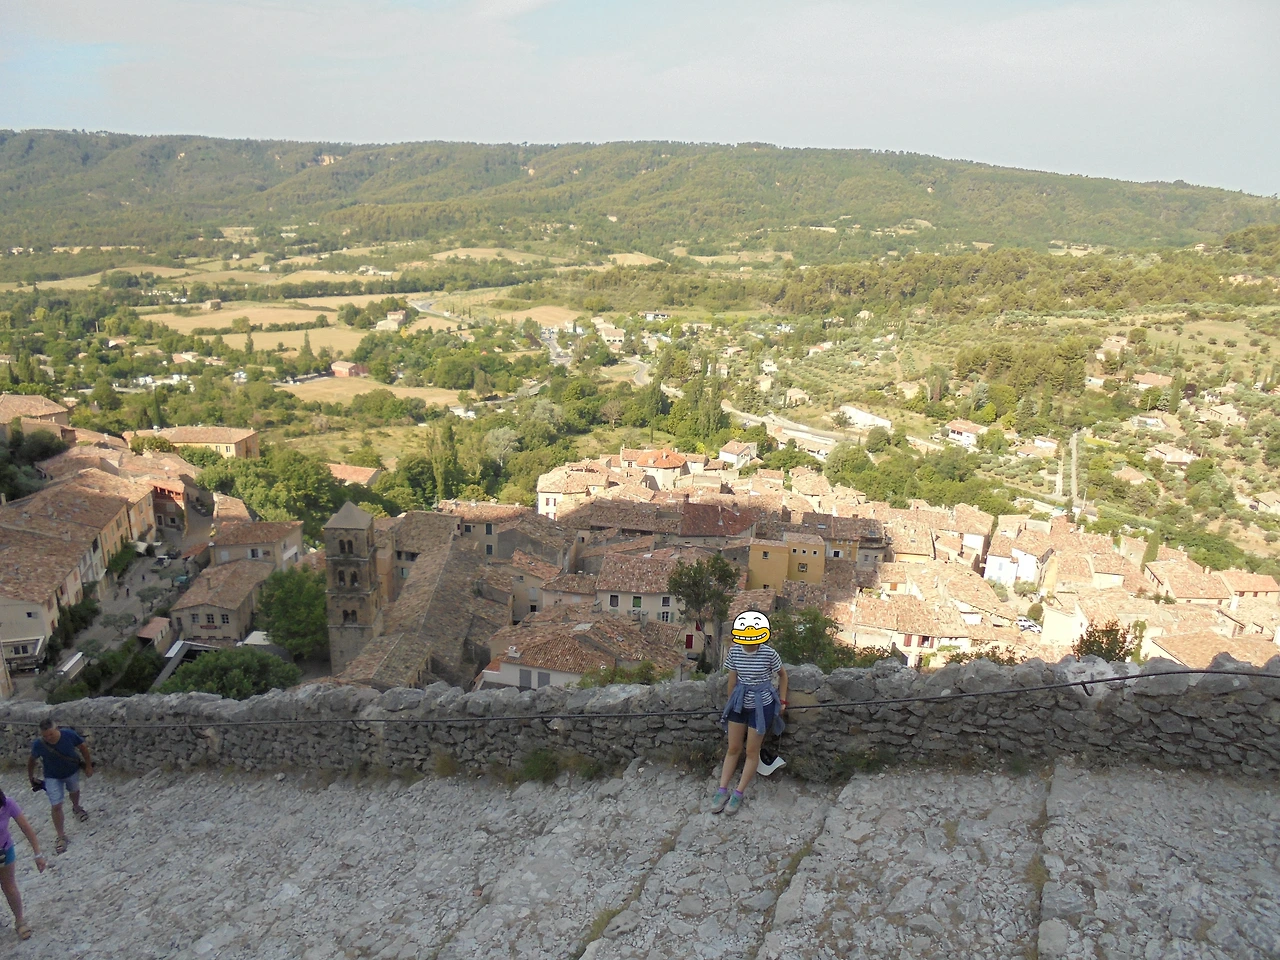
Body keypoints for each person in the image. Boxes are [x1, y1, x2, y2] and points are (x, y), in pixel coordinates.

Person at [710, 610, 788, 815]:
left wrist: (782, 701)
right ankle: (722, 790)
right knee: (733, 748)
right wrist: (731, 703)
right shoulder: (735, 652)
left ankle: (738, 794)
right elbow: (732, 681)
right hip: (739, 704)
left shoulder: (769, 654)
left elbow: (783, 676)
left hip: (761, 707)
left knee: (752, 752)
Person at [27, 719, 94, 855]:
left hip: (71, 771)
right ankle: (61, 836)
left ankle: (76, 807)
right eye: (45, 736)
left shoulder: (69, 735)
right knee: (56, 805)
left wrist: (88, 766)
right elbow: (31, 760)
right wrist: (31, 777)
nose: (48, 738)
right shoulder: (39, 744)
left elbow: (83, 748)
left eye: (50, 734)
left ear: (56, 729)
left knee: (74, 790)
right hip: (52, 776)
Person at [0, 785, 47, 940]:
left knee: (9, 887)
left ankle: (20, 921)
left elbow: (26, 828)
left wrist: (37, 854)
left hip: (4, 851)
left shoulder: (8, 804)